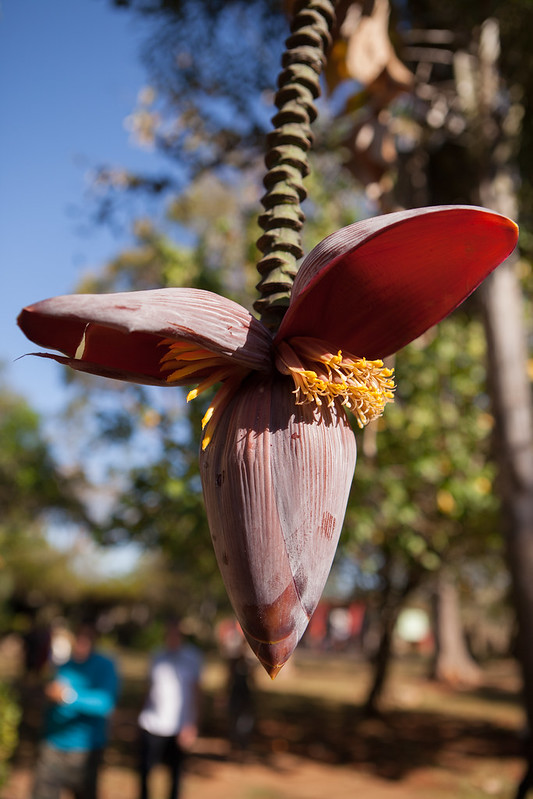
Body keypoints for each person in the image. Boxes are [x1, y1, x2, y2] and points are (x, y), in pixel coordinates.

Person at [32, 620, 119, 799]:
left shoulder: (105, 666)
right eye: (79, 637)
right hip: (53, 744)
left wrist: (68, 696)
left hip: (84, 748)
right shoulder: (64, 666)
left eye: (87, 638)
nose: (82, 642)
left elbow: (105, 703)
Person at [138, 618, 203, 799]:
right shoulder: (156, 655)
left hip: (179, 727)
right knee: (145, 773)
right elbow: (148, 687)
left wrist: (192, 724)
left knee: (175, 777)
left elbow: (197, 693)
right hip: (152, 724)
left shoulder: (193, 657)